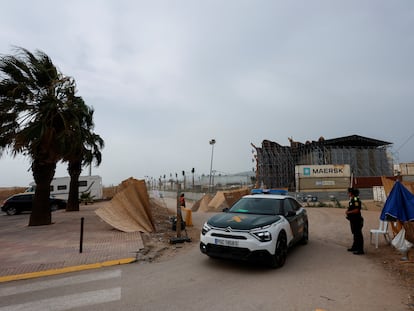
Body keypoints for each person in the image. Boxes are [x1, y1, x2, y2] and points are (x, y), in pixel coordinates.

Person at [346, 187, 364, 255]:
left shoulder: (356, 200)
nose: (348, 193)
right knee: (355, 234)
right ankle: (355, 247)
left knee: (358, 235)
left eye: (349, 192)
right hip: (353, 220)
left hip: (357, 220)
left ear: (351, 193)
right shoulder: (352, 200)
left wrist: (349, 212)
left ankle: (360, 249)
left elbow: (357, 210)